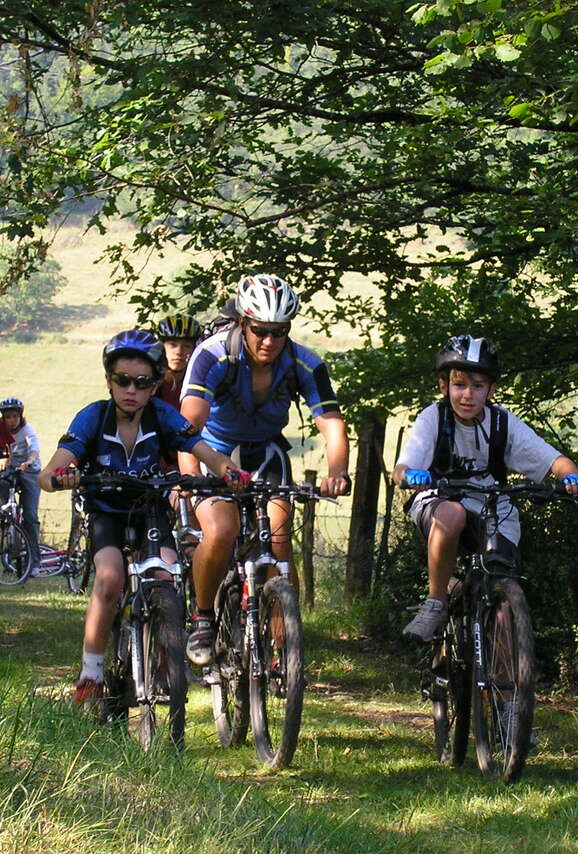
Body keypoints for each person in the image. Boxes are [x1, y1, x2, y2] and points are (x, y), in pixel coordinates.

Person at [39, 329, 249, 707]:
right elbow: (50, 471)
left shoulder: (162, 416)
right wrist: (61, 477)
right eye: (122, 380)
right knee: (109, 576)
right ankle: (91, 674)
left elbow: (201, 448)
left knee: (169, 574)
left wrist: (226, 470)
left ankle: (164, 654)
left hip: (150, 510)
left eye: (142, 382)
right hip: (107, 512)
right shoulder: (93, 417)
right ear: (109, 380)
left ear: (155, 385)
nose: (131, 390)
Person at [179, 273, 350, 666]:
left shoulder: (303, 362)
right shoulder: (212, 354)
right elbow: (188, 426)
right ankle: (203, 618)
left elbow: (333, 424)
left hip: (266, 456)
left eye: (280, 332)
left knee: (278, 544)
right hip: (213, 452)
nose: (269, 341)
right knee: (222, 532)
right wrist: (191, 475)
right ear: (243, 322)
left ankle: (281, 650)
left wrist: (337, 471)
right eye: (260, 331)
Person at [393, 334, 578, 643]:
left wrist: (571, 478)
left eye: (478, 386)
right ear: (444, 387)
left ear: (491, 390)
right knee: (452, 513)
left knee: (503, 594)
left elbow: (553, 459)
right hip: (438, 500)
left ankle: (507, 686)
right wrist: (411, 476)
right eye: (459, 385)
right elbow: (401, 469)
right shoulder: (433, 418)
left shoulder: (501, 423)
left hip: (492, 505)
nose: (467, 395)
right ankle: (435, 603)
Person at [0, 397, 42, 575]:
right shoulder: (1, 430)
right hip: (9, 471)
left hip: (29, 472)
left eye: (14, 417)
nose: (11, 421)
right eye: (7, 417)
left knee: (30, 517)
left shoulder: (27, 430)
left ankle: (34, 563)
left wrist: (29, 462)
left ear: (20, 416)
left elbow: (34, 450)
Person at [155, 313, 203, 410]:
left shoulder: (201, 380)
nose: (179, 352)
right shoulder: (151, 381)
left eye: (187, 346)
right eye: (172, 345)